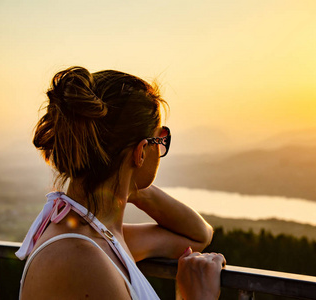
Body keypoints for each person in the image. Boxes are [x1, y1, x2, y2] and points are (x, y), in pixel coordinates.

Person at [15, 66, 225, 299]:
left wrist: (131, 186)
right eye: (161, 138)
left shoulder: (103, 238)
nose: (161, 147)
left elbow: (198, 236)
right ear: (142, 151)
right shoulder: (80, 259)